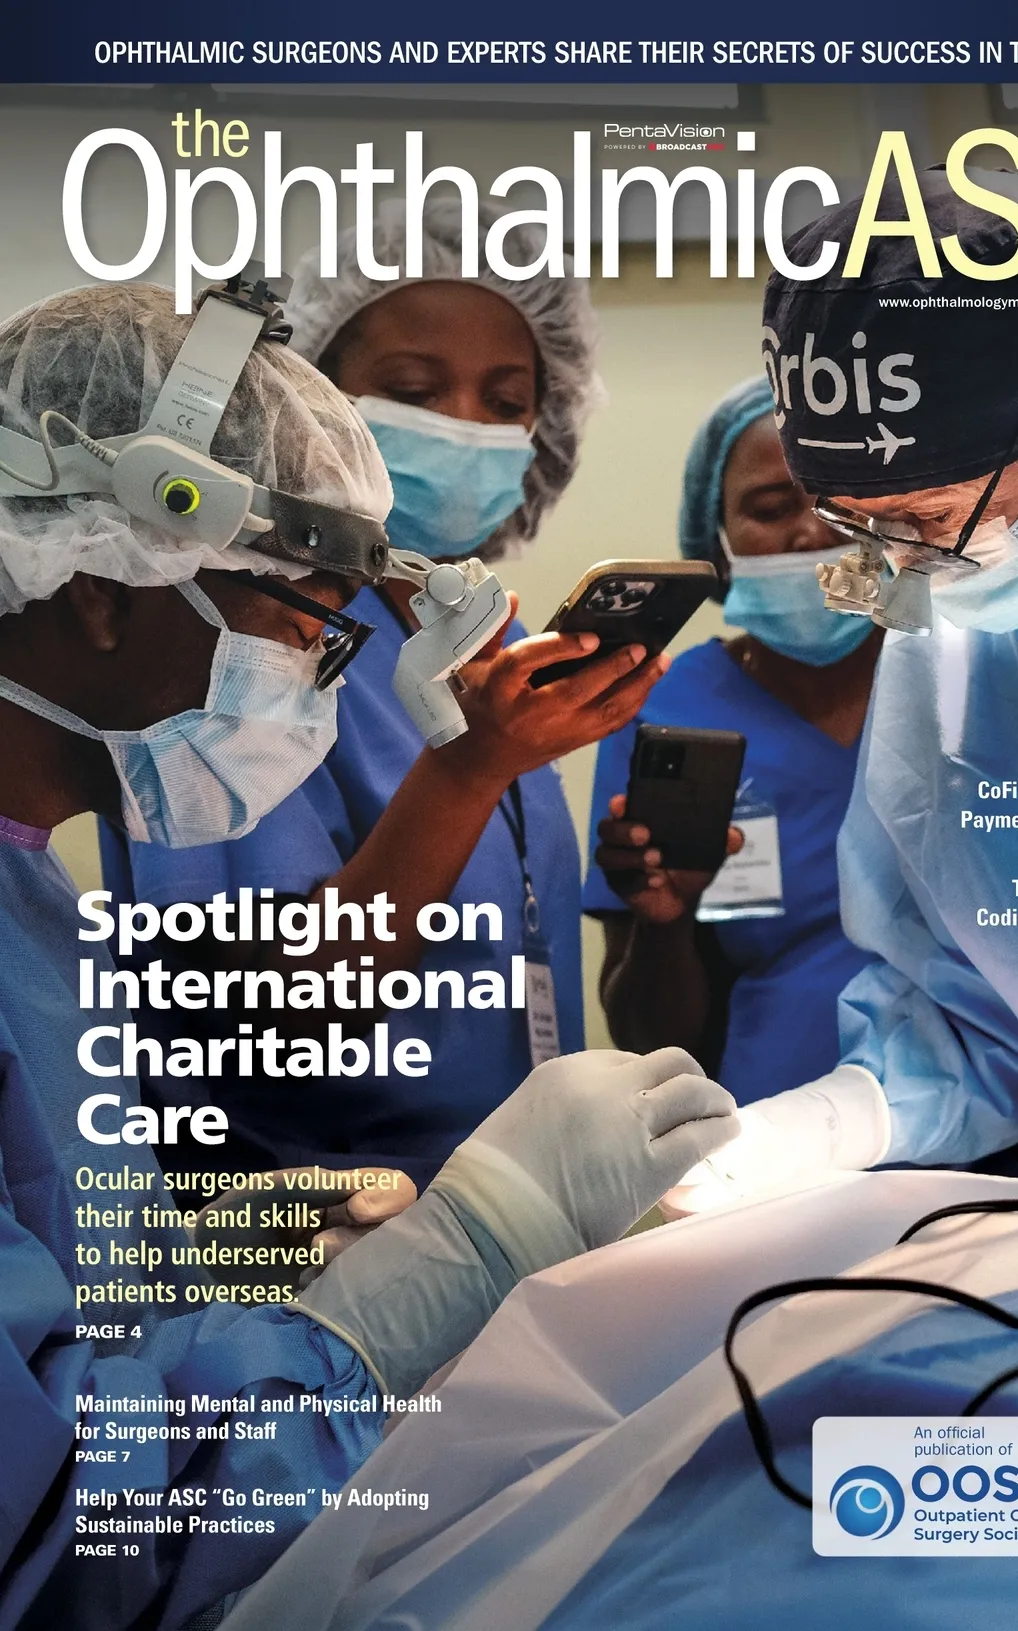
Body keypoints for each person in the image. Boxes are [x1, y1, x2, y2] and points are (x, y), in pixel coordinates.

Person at [0, 281, 738, 1629]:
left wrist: (191, 1266)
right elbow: (65, 1527)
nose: (317, 676)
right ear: (104, 588)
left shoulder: (29, 891)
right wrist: (448, 1262)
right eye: (310, 623)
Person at [667, 125, 1018, 1245]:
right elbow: (983, 1010)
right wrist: (813, 1127)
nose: (901, 570)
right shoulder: (954, 639)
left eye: (935, 517)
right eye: (864, 525)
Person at [100, 200, 665, 1188]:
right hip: (313, 1217)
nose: (465, 426)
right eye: (413, 390)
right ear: (307, 400)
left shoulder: (489, 648)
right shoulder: (243, 636)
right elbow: (268, 1005)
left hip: (511, 1196)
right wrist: (469, 770)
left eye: (505, 399)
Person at [582, 376, 881, 1098]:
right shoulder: (665, 706)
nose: (812, 533)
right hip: (771, 1134)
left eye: (839, 501)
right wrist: (666, 922)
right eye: (770, 508)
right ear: (715, 542)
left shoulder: (963, 679)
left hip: (997, 1131)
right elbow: (646, 1040)